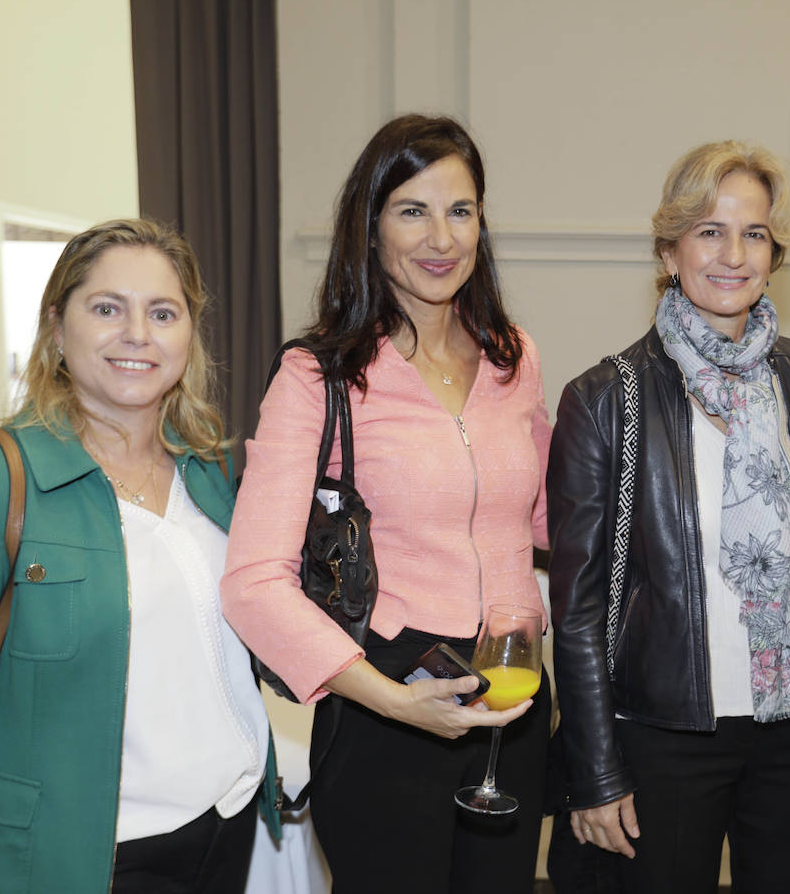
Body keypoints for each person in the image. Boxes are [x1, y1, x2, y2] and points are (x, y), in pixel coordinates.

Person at [220, 114, 552, 893]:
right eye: (412, 210)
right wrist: (394, 701)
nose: (442, 237)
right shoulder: (318, 375)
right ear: (369, 229)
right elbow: (252, 582)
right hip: (387, 697)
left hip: (512, 691)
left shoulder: (514, 357)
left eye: (461, 210)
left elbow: (545, 517)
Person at [0, 218, 278, 893]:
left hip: (228, 823)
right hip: (87, 858)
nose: (137, 333)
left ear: (187, 338)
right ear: (56, 328)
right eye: (107, 308)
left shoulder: (211, 471)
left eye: (162, 312)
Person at [547, 140, 790, 892]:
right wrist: (594, 766)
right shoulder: (605, 399)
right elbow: (578, 608)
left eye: (754, 233)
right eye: (709, 231)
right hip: (666, 735)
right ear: (668, 248)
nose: (733, 253)